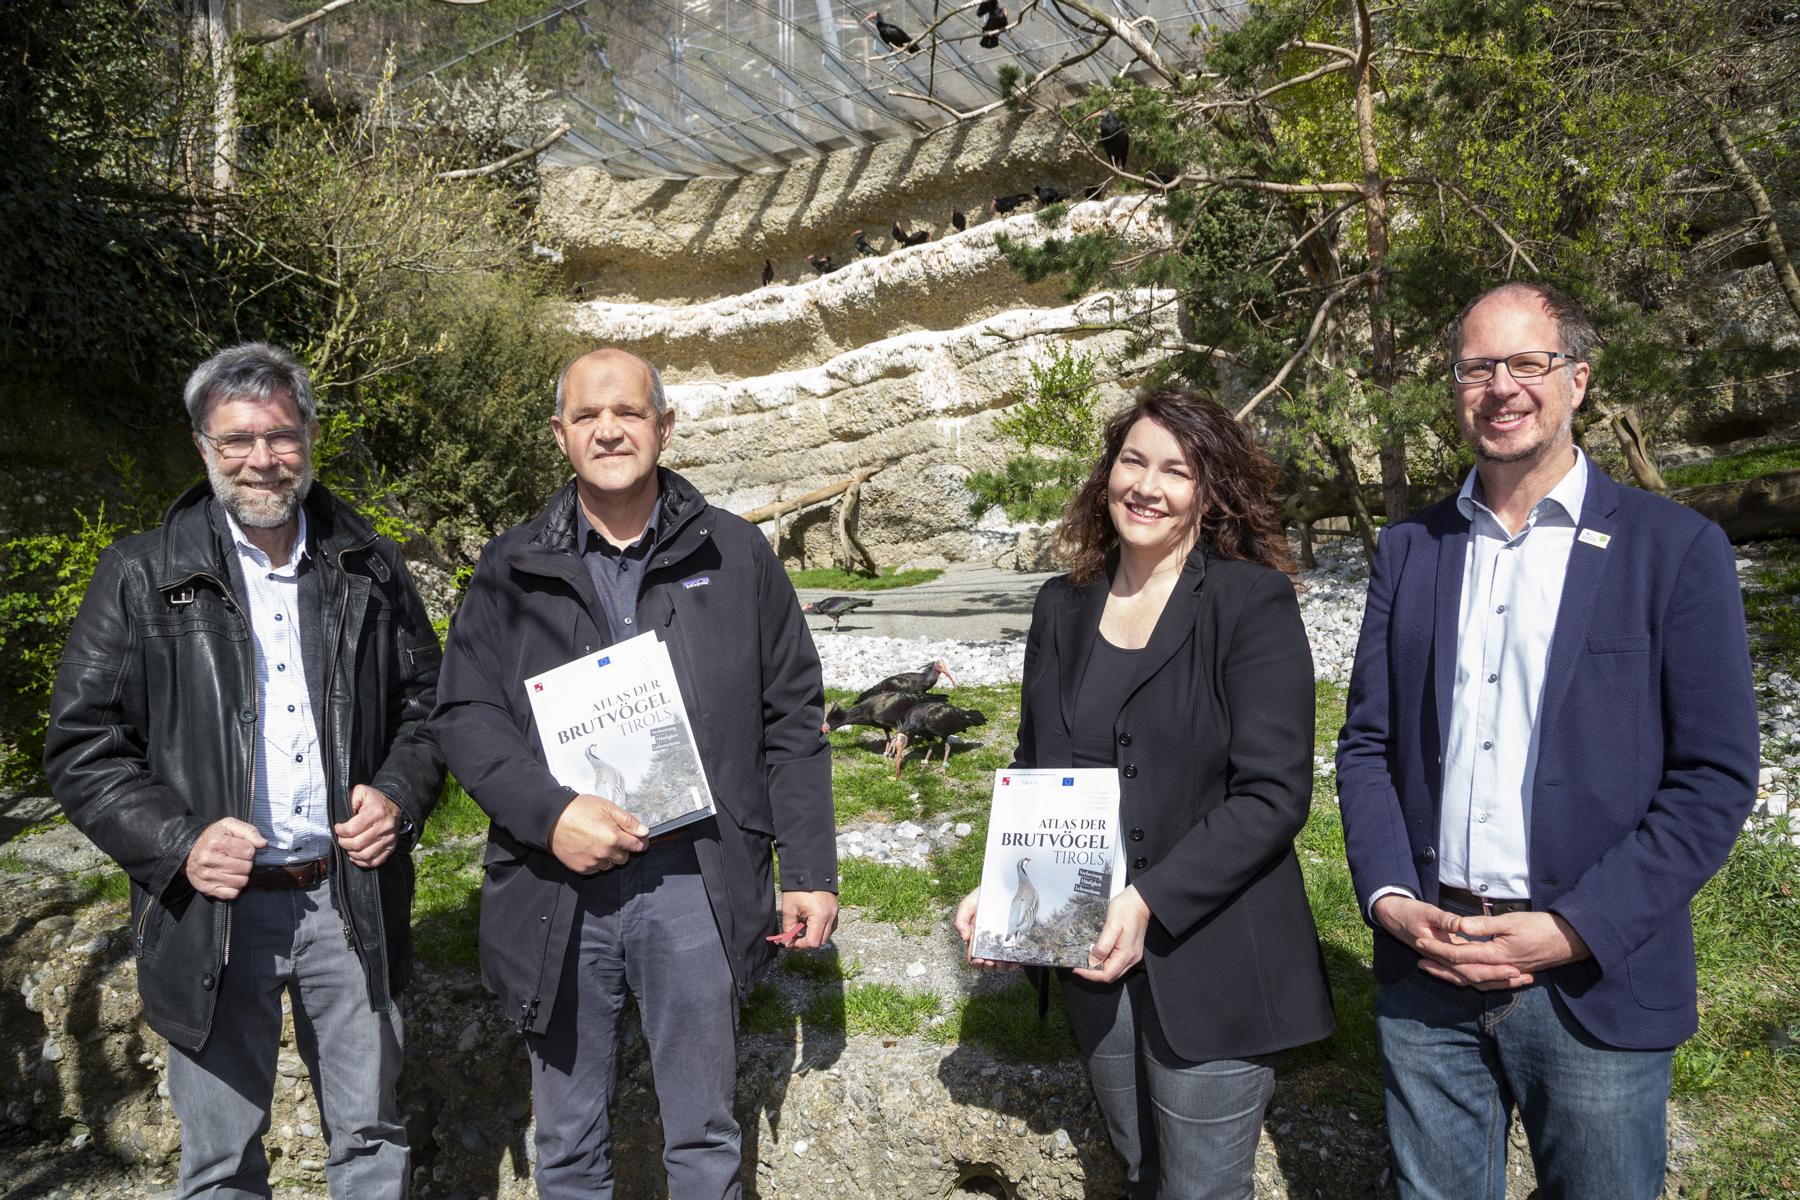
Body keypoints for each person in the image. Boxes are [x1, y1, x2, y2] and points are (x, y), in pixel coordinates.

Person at [1336, 282, 1759, 1199]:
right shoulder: (1410, 550)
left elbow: (1714, 780)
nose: (1501, 388)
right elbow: (1367, 745)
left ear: (1577, 378)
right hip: (1428, 966)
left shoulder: (1675, 547)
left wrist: (1572, 928)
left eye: (1526, 363)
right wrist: (1388, 900)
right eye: (1477, 367)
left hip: (1592, 981)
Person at [432, 348, 838, 1199]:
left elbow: (792, 716)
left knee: (704, 1137)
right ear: (559, 434)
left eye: (628, 413)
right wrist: (549, 814)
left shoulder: (735, 553)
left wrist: (806, 868)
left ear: (664, 424)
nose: (608, 430)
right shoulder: (509, 568)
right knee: (570, 1144)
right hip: (559, 890)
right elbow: (466, 718)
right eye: (586, 416)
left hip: (697, 877)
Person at [44, 343, 445, 1198]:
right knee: (221, 1161)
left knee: (373, 1137)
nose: (261, 459)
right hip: (214, 911)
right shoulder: (140, 573)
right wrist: (180, 842)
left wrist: (401, 794)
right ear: (202, 447)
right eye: (236, 440)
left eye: (280, 436)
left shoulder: (369, 565)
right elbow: (83, 745)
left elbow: (431, 707)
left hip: (349, 897)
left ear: (308, 436)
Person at [955, 388, 1335, 1200]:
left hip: (1214, 956)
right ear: (1107, 473)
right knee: (1140, 1173)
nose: (1147, 486)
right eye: (1133, 460)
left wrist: (1149, 900)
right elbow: (1037, 772)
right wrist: (1003, 891)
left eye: (1176, 470)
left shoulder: (1249, 603)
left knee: (1201, 1191)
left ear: (1210, 489)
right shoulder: (1061, 606)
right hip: (1090, 954)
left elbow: (1273, 795)